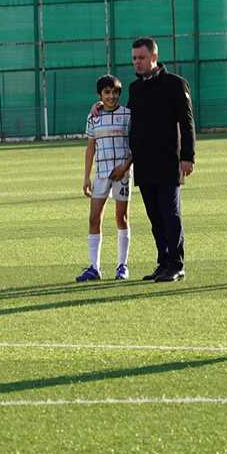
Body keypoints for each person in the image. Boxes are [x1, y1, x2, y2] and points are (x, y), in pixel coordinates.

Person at [97, 38, 195, 282]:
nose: (136, 62)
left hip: (169, 160)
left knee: (170, 213)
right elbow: (125, 115)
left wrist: (188, 157)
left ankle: (177, 264)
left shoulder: (175, 84)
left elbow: (187, 122)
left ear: (153, 57)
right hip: (144, 162)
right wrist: (101, 105)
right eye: (133, 58)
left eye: (141, 58)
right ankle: (163, 262)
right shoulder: (136, 88)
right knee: (155, 216)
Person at [77, 74, 133, 282]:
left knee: (121, 218)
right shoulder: (94, 116)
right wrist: (86, 177)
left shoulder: (128, 115)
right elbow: (90, 147)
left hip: (123, 173)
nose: (111, 96)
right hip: (101, 174)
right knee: (94, 218)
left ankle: (122, 266)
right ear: (100, 95)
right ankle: (94, 268)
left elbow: (135, 144)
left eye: (115, 92)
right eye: (107, 92)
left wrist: (126, 166)